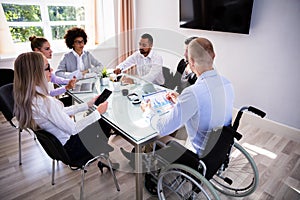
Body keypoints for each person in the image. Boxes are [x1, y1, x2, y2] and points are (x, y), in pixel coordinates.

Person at [121, 38, 234, 166]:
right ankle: (136, 154)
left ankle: (138, 160)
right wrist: (180, 99)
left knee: (153, 131)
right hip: (217, 148)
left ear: (191, 61)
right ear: (213, 56)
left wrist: (148, 111)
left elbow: (162, 128)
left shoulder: (193, 92)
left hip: (197, 155)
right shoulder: (227, 84)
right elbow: (205, 105)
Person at [13, 52, 117, 169]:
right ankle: (102, 154)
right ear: (34, 73)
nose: (51, 70)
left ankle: (103, 154)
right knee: (106, 121)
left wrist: (88, 104)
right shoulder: (46, 102)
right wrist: (97, 112)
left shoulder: (32, 99)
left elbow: (60, 112)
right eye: (47, 67)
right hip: (73, 150)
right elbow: (73, 129)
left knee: (97, 119)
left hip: (61, 148)